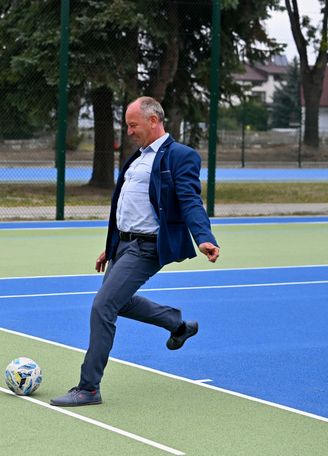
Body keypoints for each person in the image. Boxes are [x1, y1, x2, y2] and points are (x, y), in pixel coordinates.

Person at [50, 96, 220, 407]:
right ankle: (178, 325)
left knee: (103, 306)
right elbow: (127, 206)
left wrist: (203, 237)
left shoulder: (180, 156)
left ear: (153, 121)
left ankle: (89, 388)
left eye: (133, 125)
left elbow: (190, 200)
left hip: (147, 247)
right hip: (124, 245)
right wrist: (110, 246)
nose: (128, 132)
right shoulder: (137, 158)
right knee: (120, 302)